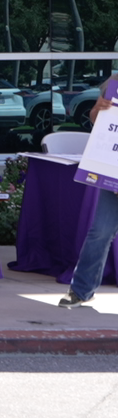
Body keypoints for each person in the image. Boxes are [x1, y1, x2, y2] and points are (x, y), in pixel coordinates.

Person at [62, 87, 118, 308]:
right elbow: (97, 121)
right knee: (100, 232)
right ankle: (81, 290)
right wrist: (98, 110)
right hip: (114, 172)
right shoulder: (115, 83)